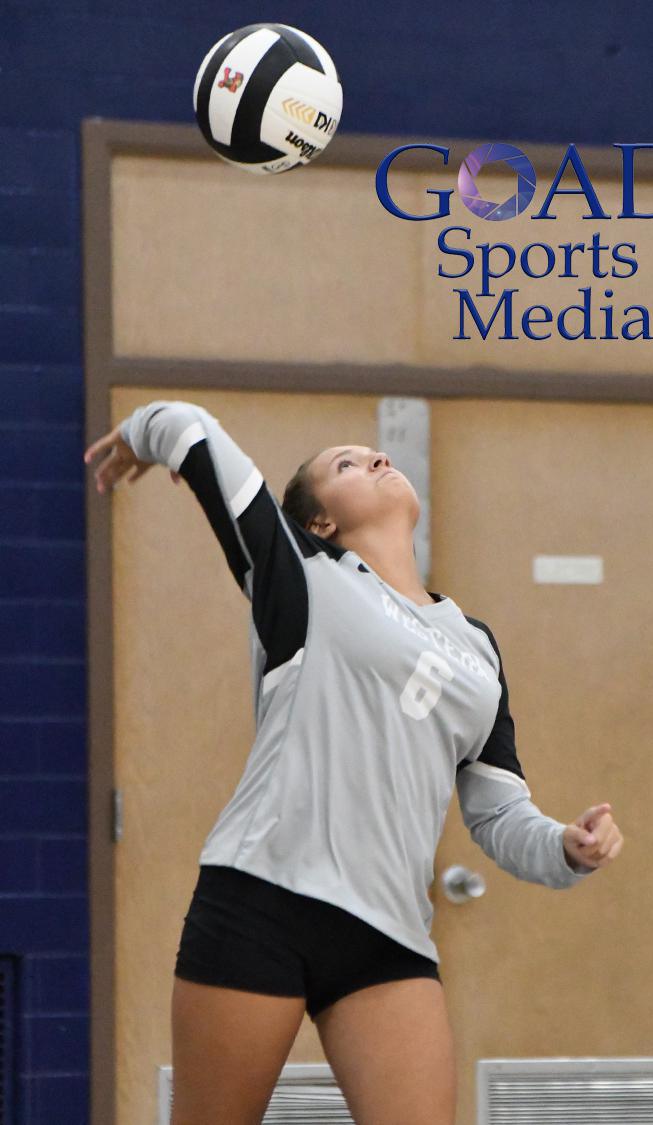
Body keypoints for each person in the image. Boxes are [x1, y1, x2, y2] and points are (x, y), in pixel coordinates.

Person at [83, 399, 624, 1125]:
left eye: (374, 453)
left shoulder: (477, 646)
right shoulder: (302, 574)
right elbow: (193, 429)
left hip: (388, 935)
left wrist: (567, 847)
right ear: (320, 522)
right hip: (260, 899)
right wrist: (143, 435)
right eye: (345, 463)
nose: (374, 458)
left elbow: (498, 812)